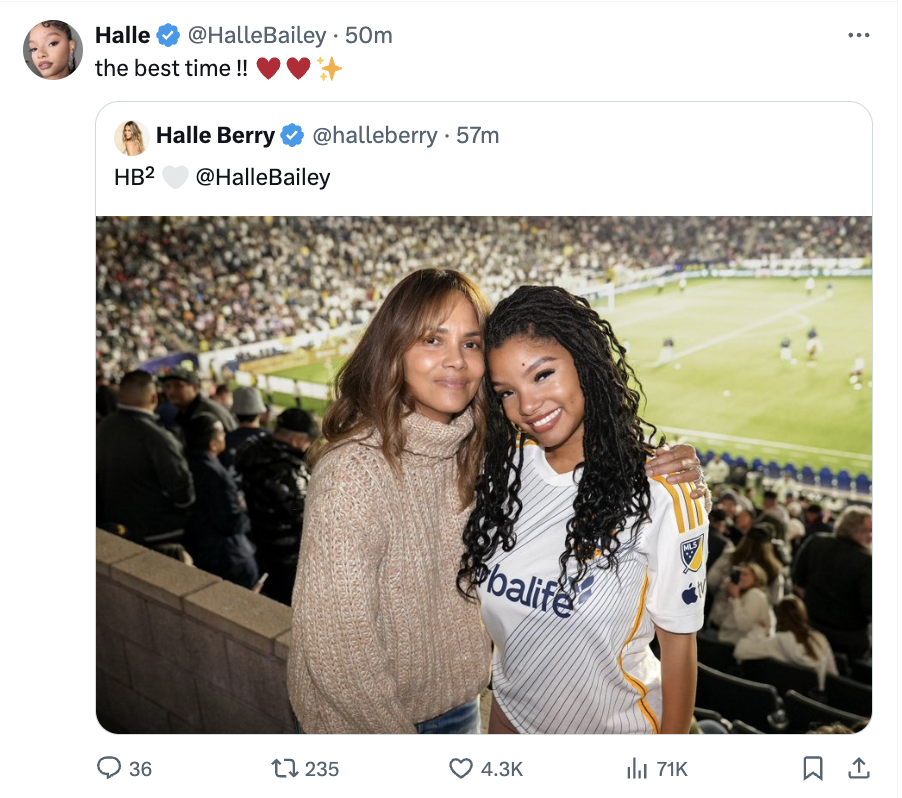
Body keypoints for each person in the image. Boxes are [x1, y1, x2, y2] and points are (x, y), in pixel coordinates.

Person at [287, 269, 705, 734]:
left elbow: (678, 644)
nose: (456, 361)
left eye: (469, 344)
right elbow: (335, 652)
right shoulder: (362, 473)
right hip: (388, 725)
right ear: (393, 348)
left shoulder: (478, 455)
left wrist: (679, 468)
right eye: (432, 340)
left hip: (478, 713)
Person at [457, 285, 709, 734]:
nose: (528, 406)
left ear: (584, 362)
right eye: (506, 392)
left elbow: (679, 646)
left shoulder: (661, 491)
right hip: (509, 722)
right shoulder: (500, 472)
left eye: (542, 374)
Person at [96, 370, 194, 545]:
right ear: (154, 398)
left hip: (117, 527)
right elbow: (180, 486)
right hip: (159, 532)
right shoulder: (156, 435)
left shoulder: (103, 426)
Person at [234, 408, 317, 605]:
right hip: (290, 558)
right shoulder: (289, 475)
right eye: (308, 441)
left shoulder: (253, 450)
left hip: (263, 546)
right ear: (297, 439)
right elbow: (308, 521)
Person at [182, 413, 258, 589]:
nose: (226, 436)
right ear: (213, 444)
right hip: (227, 557)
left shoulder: (184, 463)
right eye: (222, 433)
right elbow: (232, 523)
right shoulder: (217, 475)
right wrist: (245, 510)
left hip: (198, 547)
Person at [792, 506, 872, 660]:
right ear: (855, 529)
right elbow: (869, 608)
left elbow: (797, 583)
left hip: (808, 627)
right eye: (869, 531)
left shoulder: (815, 542)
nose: (871, 537)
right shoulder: (867, 561)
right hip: (847, 641)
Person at [734, 595, 838, 690]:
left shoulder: (778, 642)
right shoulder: (820, 639)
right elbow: (833, 675)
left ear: (779, 617)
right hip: (807, 705)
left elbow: (740, 651)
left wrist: (758, 631)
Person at [708, 562, 774, 645]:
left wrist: (735, 598)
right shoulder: (741, 595)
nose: (740, 577)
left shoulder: (755, 594)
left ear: (756, 578)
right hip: (725, 638)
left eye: (745, 574)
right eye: (739, 574)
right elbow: (716, 619)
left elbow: (744, 625)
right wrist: (726, 597)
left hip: (736, 644)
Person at [160, 367, 238, 435]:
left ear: (195, 387)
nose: (171, 391)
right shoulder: (185, 412)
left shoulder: (208, 412)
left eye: (178, 386)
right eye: (167, 386)